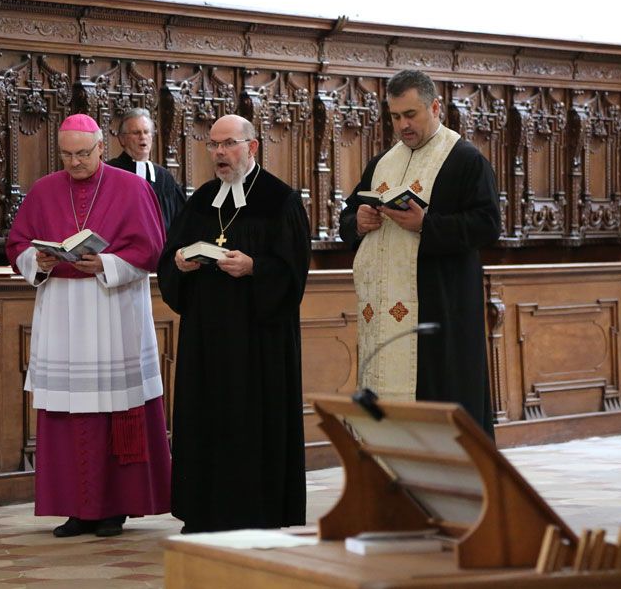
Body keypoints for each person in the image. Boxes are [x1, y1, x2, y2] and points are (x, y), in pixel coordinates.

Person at [6, 113, 170, 538]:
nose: (75, 162)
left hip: (113, 309)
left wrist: (106, 263)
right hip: (62, 311)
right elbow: (17, 243)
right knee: (67, 412)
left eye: (82, 153)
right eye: (67, 154)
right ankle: (76, 508)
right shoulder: (44, 190)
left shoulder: (133, 187)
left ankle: (116, 507)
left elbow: (152, 248)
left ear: (101, 147)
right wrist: (38, 260)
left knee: (117, 410)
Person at [158, 114, 310, 533]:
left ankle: (255, 512)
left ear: (252, 147)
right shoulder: (202, 199)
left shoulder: (280, 200)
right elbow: (170, 255)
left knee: (251, 421)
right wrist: (179, 262)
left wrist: (255, 267)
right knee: (204, 418)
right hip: (206, 337)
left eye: (228, 144)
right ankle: (203, 512)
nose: (219, 153)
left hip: (258, 339)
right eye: (213, 145)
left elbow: (294, 271)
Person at [338, 69, 501, 437]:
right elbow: (348, 215)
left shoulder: (465, 159)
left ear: (435, 107)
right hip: (386, 317)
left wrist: (426, 224)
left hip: (439, 309)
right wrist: (358, 221)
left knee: (440, 401)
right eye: (395, 116)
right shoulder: (382, 163)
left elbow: (487, 224)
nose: (403, 125)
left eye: (410, 114)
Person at [106, 107, 185, 233]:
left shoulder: (164, 177)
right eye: (136, 133)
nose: (142, 137)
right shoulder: (109, 173)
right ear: (122, 139)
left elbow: (180, 223)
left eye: (147, 132)